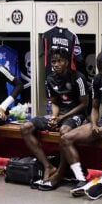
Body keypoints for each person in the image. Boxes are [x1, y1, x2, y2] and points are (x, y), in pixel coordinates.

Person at [49, 51, 102, 200]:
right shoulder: (97, 79)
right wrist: (95, 124)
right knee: (66, 138)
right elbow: (94, 108)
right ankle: (81, 180)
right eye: (99, 69)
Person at [22, 50, 88, 188]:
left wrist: (62, 117)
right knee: (26, 128)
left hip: (77, 115)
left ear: (67, 62)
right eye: (53, 62)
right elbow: (55, 102)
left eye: (60, 61)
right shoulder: (50, 79)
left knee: (64, 132)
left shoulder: (78, 78)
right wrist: (54, 117)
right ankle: (48, 166)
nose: (56, 64)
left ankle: (60, 172)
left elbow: (84, 104)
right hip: (60, 115)